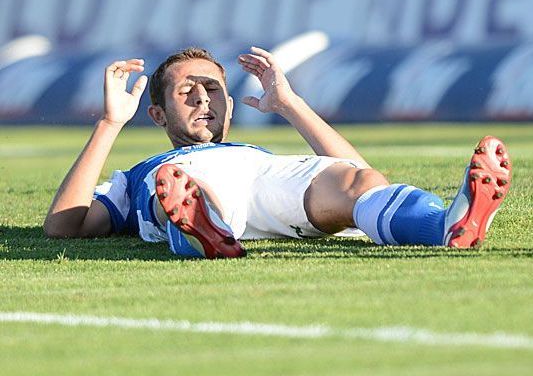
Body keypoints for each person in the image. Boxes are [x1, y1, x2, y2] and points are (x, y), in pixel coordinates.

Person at [43, 46, 512, 259]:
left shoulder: (255, 150)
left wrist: (290, 105)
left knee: (359, 183)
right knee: (186, 191)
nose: (205, 98)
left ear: (229, 104)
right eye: (188, 91)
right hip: (190, 182)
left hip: (266, 176)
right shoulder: (140, 173)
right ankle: (200, 225)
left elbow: (360, 170)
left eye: (213, 88)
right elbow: (65, 226)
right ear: (160, 116)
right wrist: (109, 124)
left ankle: (446, 227)